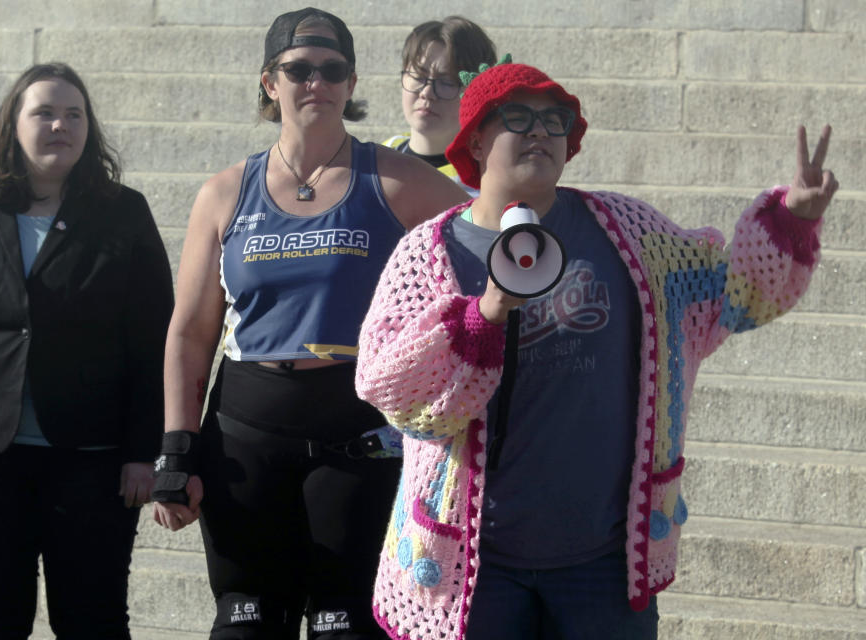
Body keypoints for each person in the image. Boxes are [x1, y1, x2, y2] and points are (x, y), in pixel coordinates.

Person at [355, 60, 838, 640]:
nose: (539, 131)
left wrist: (792, 221)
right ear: (476, 139)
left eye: (555, 120)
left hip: (603, 563)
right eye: (518, 117)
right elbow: (388, 388)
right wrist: (484, 314)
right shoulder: (427, 254)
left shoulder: (631, 232)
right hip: (474, 568)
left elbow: (731, 295)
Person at [150, 7, 467, 640]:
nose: (316, 82)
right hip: (246, 434)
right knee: (245, 623)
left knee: (342, 626)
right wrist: (177, 448)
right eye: (299, 69)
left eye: (332, 70)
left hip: (355, 436)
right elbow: (189, 331)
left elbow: (496, 236)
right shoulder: (224, 192)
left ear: (351, 84)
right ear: (270, 82)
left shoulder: (398, 179)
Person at [0, 62, 174, 639]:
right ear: (14, 125)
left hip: (93, 459)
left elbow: (153, 339)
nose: (61, 125)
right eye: (45, 113)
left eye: (74, 114)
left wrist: (141, 451)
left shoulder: (123, 213)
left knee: (93, 620)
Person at [383, 16, 497, 196]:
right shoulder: (376, 160)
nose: (427, 92)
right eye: (418, 76)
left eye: (447, 82)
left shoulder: (487, 186)